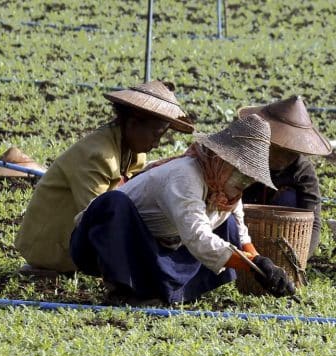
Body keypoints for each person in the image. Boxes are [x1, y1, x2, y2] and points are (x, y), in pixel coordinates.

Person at [69, 115, 295, 304]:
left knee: (228, 226)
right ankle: (122, 290)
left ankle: (164, 293)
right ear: (220, 159)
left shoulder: (227, 194)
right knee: (113, 203)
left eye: (250, 178)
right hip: (104, 244)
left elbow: (241, 235)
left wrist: (264, 266)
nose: (243, 182)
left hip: (160, 245)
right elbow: (198, 237)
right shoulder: (185, 175)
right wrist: (253, 265)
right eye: (239, 171)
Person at [14, 81, 194, 275]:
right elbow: (97, 215)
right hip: (51, 248)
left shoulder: (134, 153)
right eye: (156, 135)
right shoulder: (98, 155)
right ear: (133, 123)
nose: (157, 143)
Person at [238, 96, 332, 257]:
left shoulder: (302, 170)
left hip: (280, 235)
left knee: (288, 198)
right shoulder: (245, 156)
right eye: (279, 150)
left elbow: (313, 221)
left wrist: (300, 257)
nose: (283, 158)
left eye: (291, 153)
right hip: (241, 220)